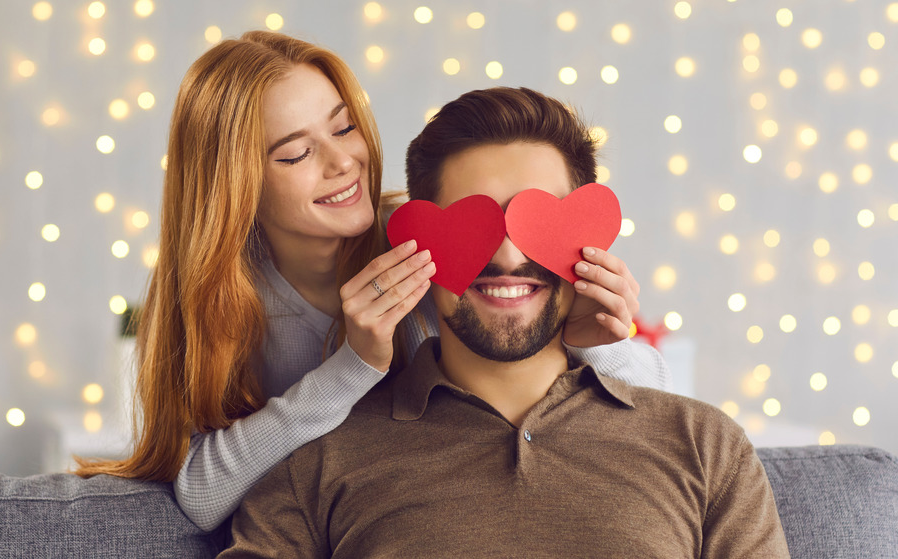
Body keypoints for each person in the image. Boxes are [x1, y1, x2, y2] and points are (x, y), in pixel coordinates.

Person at [74, 31, 672, 532]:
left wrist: (603, 345)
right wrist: (352, 367)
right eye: (293, 154)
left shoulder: (429, 239)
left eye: (343, 129)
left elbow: (669, 416)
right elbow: (202, 495)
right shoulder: (213, 297)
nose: (341, 164)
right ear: (235, 187)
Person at [218, 87, 789, 557]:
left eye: (537, 220)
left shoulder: (706, 444)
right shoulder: (317, 462)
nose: (510, 255)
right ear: (418, 244)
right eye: (475, 223)